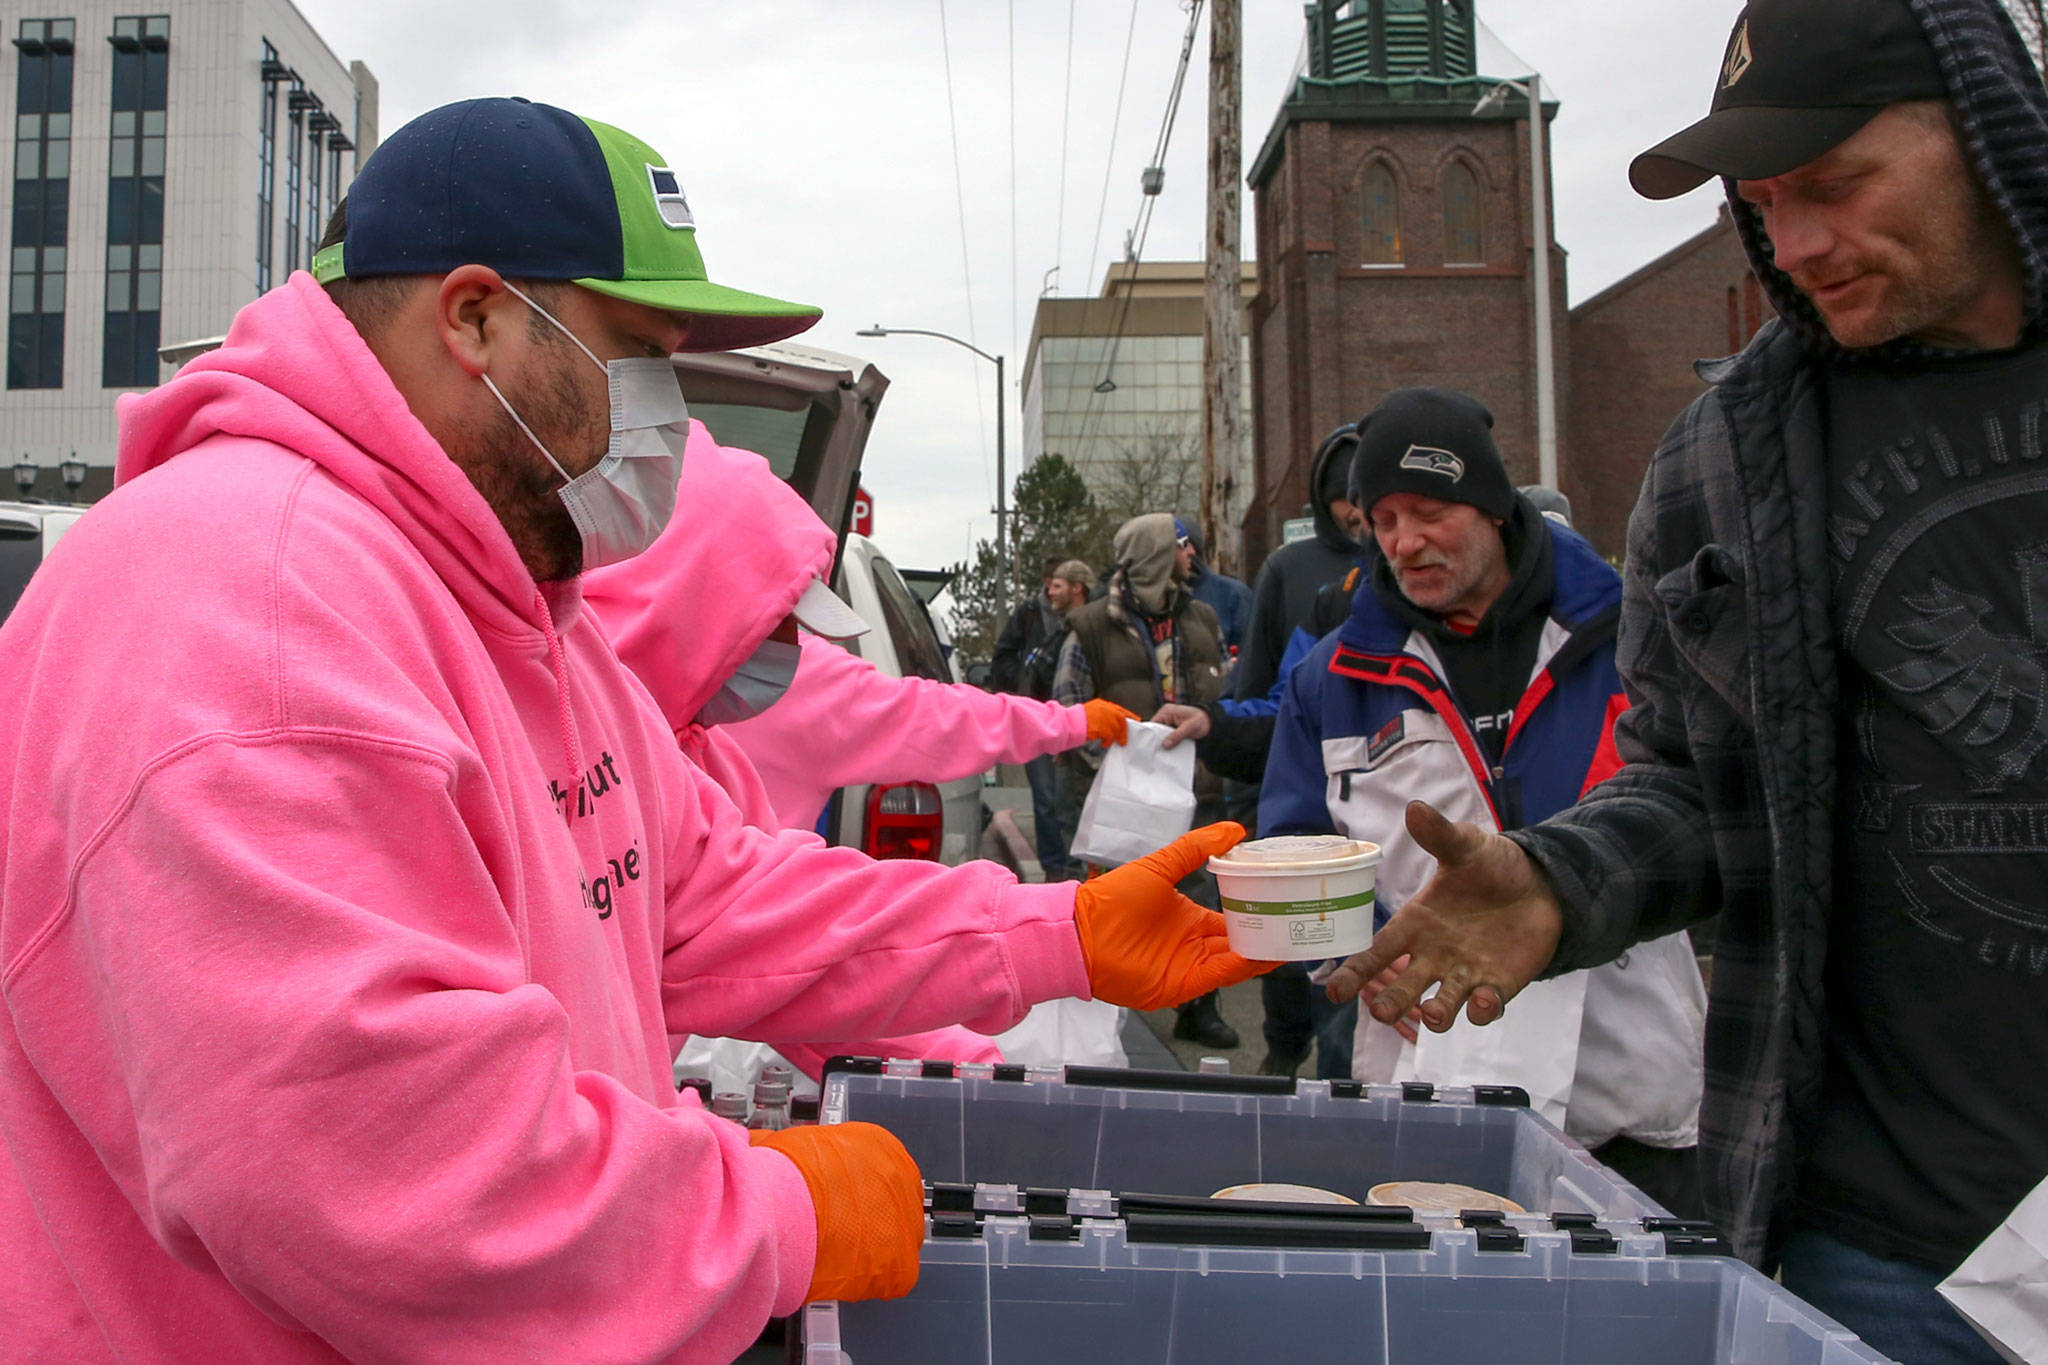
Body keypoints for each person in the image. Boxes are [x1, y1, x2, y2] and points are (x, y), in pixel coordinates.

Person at [0, 97, 1267, 1361]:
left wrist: (1052, 931)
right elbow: (365, 1164)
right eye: (639, 351)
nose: (668, 410)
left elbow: (699, 896)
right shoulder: (252, 600)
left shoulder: (511, 602)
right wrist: (774, 1212)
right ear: (478, 317)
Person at [1330, 2, 2048, 1359]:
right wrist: (1560, 876)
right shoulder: (1726, 458)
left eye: (1836, 185)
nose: (1794, 244)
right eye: (1762, 202)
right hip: (1878, 1252)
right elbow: (1694, 783)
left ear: (1986, 130)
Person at [1260, 389, 1706, 1210]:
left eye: (1429, 512)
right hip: (1426, 1084)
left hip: (1624, 1090)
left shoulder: (1632, 639)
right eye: (1383, 519)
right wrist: (1368, 955)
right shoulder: (1331, 679)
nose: (1405, 541)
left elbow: (1710, 817)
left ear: (1494, 505)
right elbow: (1291, 852)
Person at [583, 432, 1139, 1080]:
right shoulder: (588, 734)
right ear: (698, 599)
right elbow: (933, 718)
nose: (794, 641)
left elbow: (790, 956)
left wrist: (970, 1068)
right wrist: (1065, 723)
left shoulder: (699, 756)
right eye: (778, 616)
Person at [1055, 512, 1236, 1049]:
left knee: (1202, 897)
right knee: (1117, 902)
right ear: (1156, 555)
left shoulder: (1202, 616)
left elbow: (1224, 696)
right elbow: (1069, 708)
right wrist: (1121, 763)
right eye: (1179, 545)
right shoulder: (1088, 626)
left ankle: (1199, 1006)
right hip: (1121, 802)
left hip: (1194, 790)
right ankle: (1104, 1012)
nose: (1189, 554)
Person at [1233, 423, 1366, 704]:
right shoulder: (1285, 568)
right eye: (1343, 499)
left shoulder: (1405, 564)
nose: (1356, 512)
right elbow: (1253, 679)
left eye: (1364, 498)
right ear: (1323, 502)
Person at [984, 557, 1099, 878]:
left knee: (1073, 801)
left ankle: (1076, 867)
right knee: (1047, 798)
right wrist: (1024, 683)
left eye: (1057, 584)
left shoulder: (1088, 623)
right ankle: (1055, 870)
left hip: (1078, 720)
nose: (1050, 590)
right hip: (1037, 717)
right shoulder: (1030, 614)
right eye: (1049, 582)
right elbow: (1003, 657)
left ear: (1076, 588)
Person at [1175, 517, 1254, 654]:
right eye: (1182, 545)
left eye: (1187, 543)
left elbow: (1249, 656)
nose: (1189, 552)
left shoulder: (1234, 595)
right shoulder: (1156, 599)